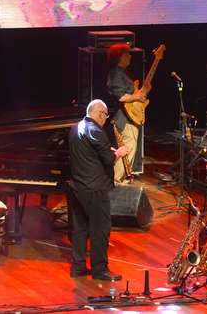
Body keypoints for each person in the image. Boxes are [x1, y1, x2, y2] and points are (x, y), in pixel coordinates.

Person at [67, 99, 130, 280]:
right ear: (100, 113)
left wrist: (105, 151)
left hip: (76, 187)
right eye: (105, 115)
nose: (105, 119)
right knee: (100, 228)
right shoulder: (96, 131)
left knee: (79, 229)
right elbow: (109, 160)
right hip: (94, 189)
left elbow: (90, 153)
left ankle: (78, 267)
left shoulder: (75, 127)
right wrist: (119, 152)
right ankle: (99, 269)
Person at [106, 43, 145, 183]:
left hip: (130, 117)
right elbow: (121, 96)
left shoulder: (122, 73)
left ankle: (121, 181)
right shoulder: (116, 73)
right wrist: (137, 97)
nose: (130, 56)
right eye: (127, 54)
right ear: (120, 57)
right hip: (123, 118)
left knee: (129, 149)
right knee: (127, 149)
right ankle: (116, 182)